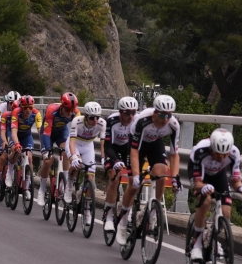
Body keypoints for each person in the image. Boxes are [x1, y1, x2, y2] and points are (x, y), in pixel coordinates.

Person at [117, 95, 182, 246]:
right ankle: (123, 220)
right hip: (136, 146)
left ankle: (153, 210)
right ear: (154, 112)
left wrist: (175, 177)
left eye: (169, 115)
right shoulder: (142, 121)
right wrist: (137, 175)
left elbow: (174, 154)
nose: (166, 118)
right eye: (162, 114)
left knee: (161, 172)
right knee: (134, 185)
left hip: (154, 143)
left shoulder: (173, 125)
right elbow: (134, 151)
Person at [187, 128, 242, 262]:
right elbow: (197, 182)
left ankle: (211, 237)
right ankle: (197, 244)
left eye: (224, 155)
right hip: (201, 176)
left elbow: (235, 179)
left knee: (226, 213)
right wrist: (203, 187)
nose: (221, 158)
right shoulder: (200, 151)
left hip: (218, 175)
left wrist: (241, 188)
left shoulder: (234, 153)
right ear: (211, 148)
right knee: (205, 201)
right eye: (218, 154)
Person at [102, 97, 139, 232]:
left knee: (134, 180)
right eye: (127, 113)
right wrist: (116, 161)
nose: (130, 116)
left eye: (133, 113)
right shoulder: (112, 120)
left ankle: (126, 211)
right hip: (113, 149)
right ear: (120, 112)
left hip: (129, 150)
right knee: (114, 179)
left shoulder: (137, 121)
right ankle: (109, 216)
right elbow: (107, 145)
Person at [36, 92, 80, 206]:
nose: (70, 113)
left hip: (61, 132)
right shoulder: (52, 110)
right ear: (62, 106)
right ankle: (41, 189)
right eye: (67, 110)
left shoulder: (75, 112)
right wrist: (47, 151)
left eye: (72, 110)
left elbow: (78, 130)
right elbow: (46, 133)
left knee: (66, 152)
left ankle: (63, 182)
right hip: (48, 133)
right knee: (48, 161)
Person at [67, 101, 105, 206]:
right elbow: (72, 141)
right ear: (86, 116)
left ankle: (87, 208)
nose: (95, 120)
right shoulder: (77, 121)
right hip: (75, 144)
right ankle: (69, 187)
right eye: (92, 118)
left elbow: (103, 144)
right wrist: (74, 156)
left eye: (98, 117)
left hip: (88, 146)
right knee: (76, 165)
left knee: (90, 177)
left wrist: (103, 158)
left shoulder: (102, 123)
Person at [6, 96, 42, 199]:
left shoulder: (36, 113)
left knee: (29, 157)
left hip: (26, 135)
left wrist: (43, 144)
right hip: (16, 134)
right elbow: (13, 132)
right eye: (25, 108)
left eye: (30, 107)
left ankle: (27, 186)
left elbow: (40, 131)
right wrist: (17, 144)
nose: (27, 110)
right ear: (21, 107)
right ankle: (10, 171)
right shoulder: (16, 112)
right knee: (16, 151)